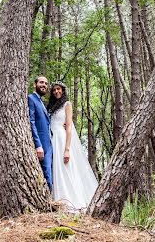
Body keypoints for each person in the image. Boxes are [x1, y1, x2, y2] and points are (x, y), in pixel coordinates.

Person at [47, 80, 98, 211]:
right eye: (54, 90)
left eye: (59, 89)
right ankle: (58, 201)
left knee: (66, 169)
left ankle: (72, 202)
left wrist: (67, 149)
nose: (56, 91)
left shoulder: (67, 105)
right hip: (53, 140)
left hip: (62, 140)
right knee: (56, 170)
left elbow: (69, 127)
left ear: (63, 91)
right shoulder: (51, 108)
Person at [28, 75, 53, 190]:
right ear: (35, 84)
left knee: (49, 172)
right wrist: (38, 145)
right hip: (41, 145)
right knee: (46, 173)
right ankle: (48, 202)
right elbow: (31, 122)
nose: (44, 85)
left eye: (46, 83)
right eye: (41, 82)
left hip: (48, 143)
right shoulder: (31, 98)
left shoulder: (41, 101)